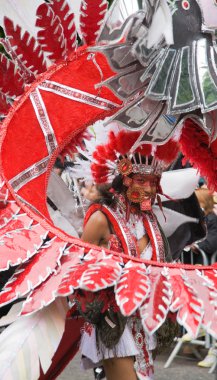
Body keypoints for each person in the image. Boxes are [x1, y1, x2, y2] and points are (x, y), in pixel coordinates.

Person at [69, 129, 179, 380]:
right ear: (124, 179)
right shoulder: (100, 219)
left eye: (153, 182)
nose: (150, 190)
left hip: (143, 325)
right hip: (112, 324)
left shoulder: (152, 222)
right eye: (142, 181)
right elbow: (77, 273)